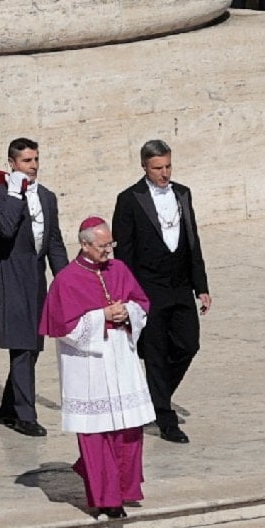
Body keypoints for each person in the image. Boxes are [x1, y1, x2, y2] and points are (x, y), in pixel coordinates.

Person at [41, 217, 155, 519]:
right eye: (103, 246)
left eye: (111, 244)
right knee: (96, 435)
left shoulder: (119, 269)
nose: (109, 251)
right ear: (85, 244)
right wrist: (102, 315)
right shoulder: (66, 280)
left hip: (121, 359)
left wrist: (126, 312)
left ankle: (123, 489)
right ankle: (107, 499)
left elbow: (141, 303)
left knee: (128, 430)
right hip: (88, 366)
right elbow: (62, 326)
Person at [112, 139, 211, 444]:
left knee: (187, 344)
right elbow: (123, 253)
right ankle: (166, 419)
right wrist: (128, 294)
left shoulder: (182, 193)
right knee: (154, 354)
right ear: (145, 167)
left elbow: (193, 242)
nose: (164, 173)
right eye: (158, 168)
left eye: (168, 166)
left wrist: (202, 287)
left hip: (180, 284)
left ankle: (155, 397)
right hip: (149, 287)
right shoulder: (129, 199)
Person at [0, 137, 69, 437]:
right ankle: (25, 414)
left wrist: (68, 281)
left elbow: (54, 242)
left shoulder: (47, 196)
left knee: (33, 346)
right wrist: (14, 194)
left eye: (35, 160)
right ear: (12, 163)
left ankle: (10, 405)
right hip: (8, 274)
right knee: (21, 345)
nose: (32, 167)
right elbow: (4, 228)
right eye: (26, 161)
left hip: (34, 277)